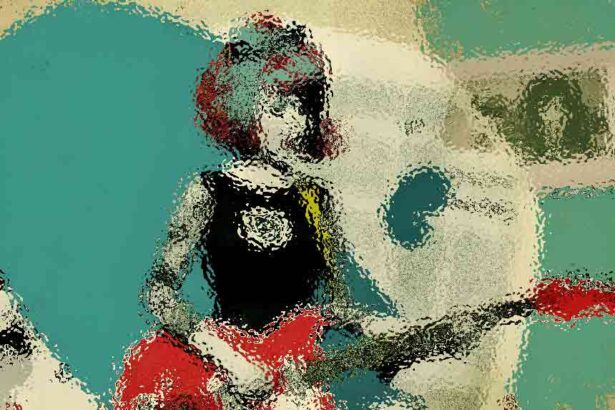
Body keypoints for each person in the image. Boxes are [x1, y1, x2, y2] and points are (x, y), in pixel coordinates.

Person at [113, 13, 538, 410]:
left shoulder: (315, 198)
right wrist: (226, 355)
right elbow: (159, 292)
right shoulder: (208, 191)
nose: (295, 124)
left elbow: (334, 307)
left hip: (292, 377)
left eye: (303, 108)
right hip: (219, 370)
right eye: (278, 108)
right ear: (243, 106)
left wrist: (393, 331)